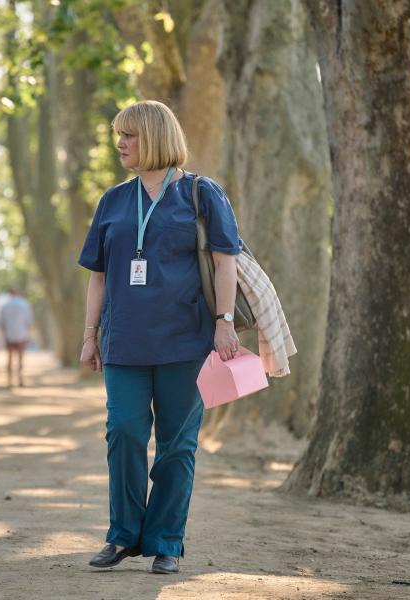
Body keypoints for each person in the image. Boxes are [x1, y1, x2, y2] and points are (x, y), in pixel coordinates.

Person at [78, 100, 243, 575]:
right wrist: (90, 335)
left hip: (186, 342)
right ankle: (123, 535)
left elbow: (224, 261)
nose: (120, 144)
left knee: (177, 443)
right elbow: (99, 275)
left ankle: (167, 540)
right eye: (118, 136)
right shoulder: (112, 200)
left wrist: (225, 321)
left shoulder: (201, 193)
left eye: (128, 135)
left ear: (154, 137)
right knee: (124, 432)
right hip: (125, 342)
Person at [0, 287, 33, 387]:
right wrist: (28, 334)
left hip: (9, 335)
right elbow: (29, 322)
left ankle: (9, 381)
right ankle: (20, 379)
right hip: (21, 335)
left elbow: (1, 323)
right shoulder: (25, 304)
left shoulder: (4, 306)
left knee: (9, 358)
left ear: (9, 293)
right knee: (20, 358)